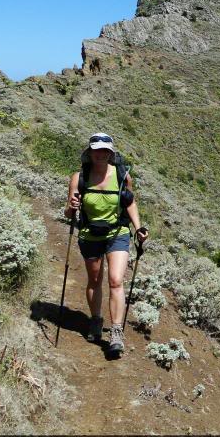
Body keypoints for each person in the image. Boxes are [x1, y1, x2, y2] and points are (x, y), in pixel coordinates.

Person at [64, 132, 148, 355]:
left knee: (115, 280)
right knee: (94, 279)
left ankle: (117, 332)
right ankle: (96, 320)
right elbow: (68, 212)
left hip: (117, 233)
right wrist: (73, 206)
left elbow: (129, 203)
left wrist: (138, 227)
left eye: (105, 150)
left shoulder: (122, 176)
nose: (100, 154)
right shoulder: (79, 178)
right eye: (96, 150)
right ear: (90, 152)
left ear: (110, 153)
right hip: (90, 234)